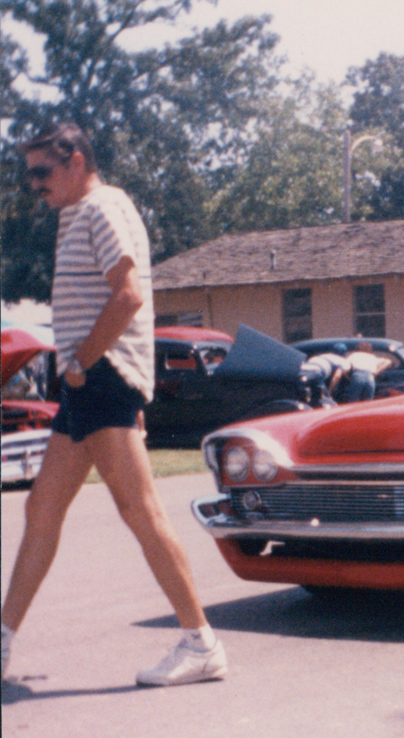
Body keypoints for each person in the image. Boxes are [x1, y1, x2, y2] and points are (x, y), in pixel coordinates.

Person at [1, 123, 226, 687]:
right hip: (89, 382)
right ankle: (2, 639)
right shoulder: (77, 213)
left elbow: (129, 295)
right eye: (27, 174)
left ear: (76, 160)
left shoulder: (102, 207)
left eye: (42, 172)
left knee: (142, 513)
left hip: (96, 377)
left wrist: (87, 365)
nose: (34, 185)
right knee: (41, 513)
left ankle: (201, 642)